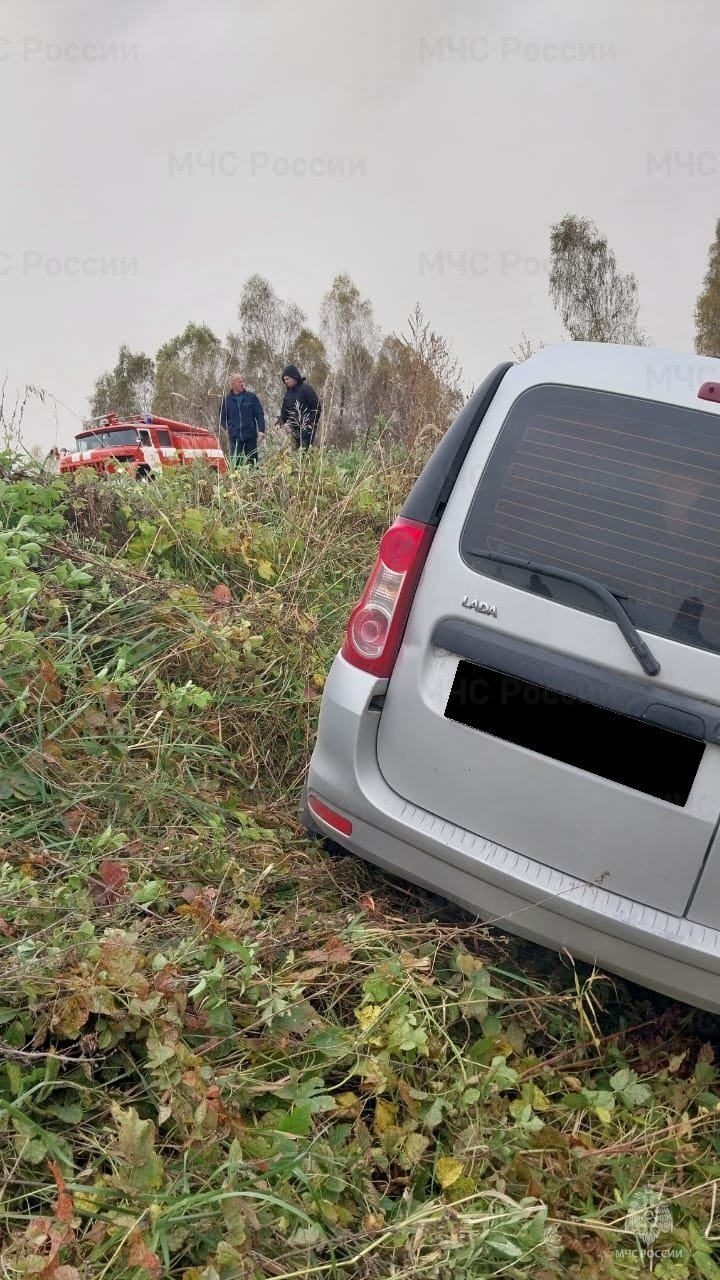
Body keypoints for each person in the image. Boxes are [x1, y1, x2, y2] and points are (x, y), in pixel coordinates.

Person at [220, 374, 265, 466]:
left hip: (250, 435)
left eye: (243, 381)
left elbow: (259, 414)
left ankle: (254, 479)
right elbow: (222, 418)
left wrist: (261, 430)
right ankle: (237, 480)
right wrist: (226, 429)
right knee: (236, 464)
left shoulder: (251, 397)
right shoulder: (226, 400)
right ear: (232, 384)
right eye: (239, 381)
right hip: (235, 437)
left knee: (253, 463)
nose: (242, 383)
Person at [278, 364, 321, 449]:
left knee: (306, 453)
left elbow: (316, 408)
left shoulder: (306, 389)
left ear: (294, 377)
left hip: (307, 428)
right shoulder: (288, 394)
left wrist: (310, 425)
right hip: (294, 429)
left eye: (287, 379)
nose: (285, 381)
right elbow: (284, 412)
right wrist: (279, 422)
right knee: (298, 453)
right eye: (284, 379)